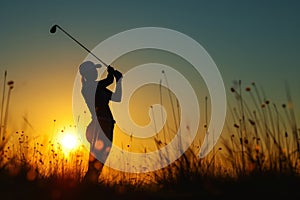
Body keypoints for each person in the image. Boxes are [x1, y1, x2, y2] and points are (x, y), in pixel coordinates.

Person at [79, 61, 123, 183]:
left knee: (100, 159)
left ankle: (89, 185)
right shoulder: (88, 87)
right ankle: (88, 186)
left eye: (95, 70)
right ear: (88, 74)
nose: (95, 72)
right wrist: (113, 75)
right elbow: (108, 81)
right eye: (93, 70)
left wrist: (119, 81)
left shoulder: (98, 88)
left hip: (106, 124)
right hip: (100, 125)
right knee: (97, 159)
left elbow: (117, 97)